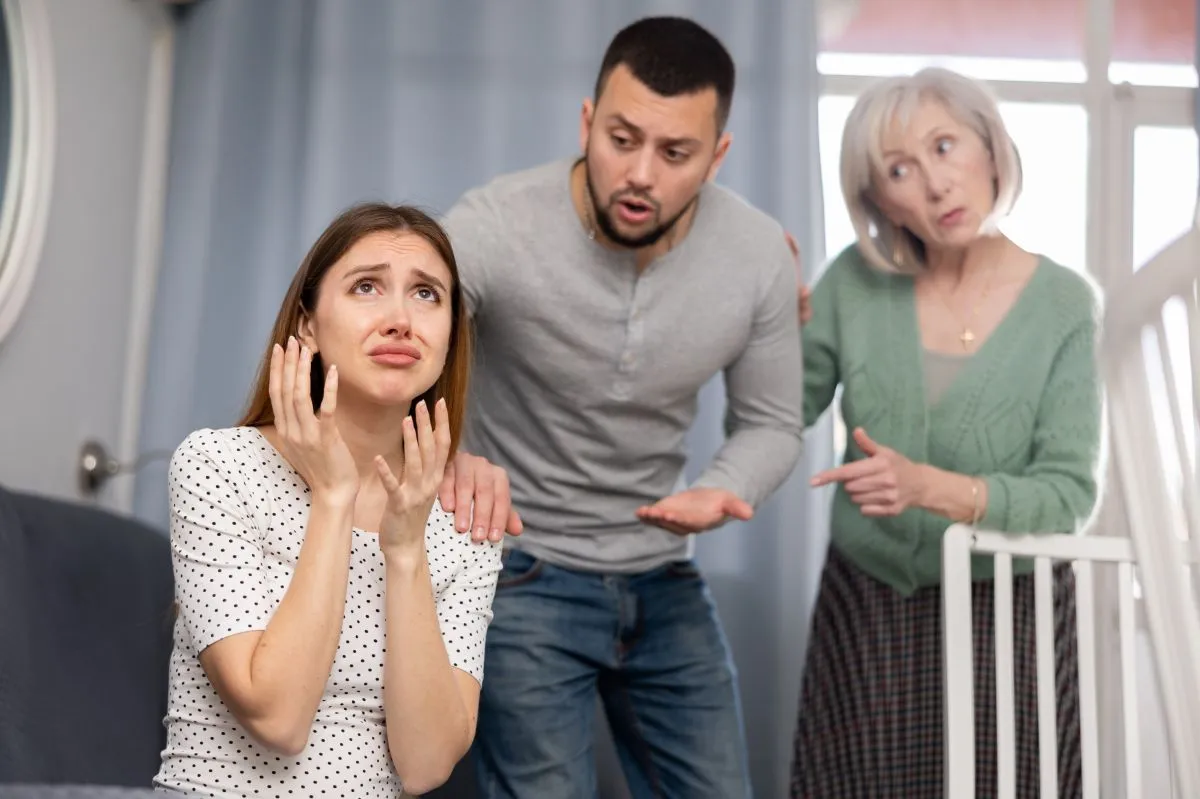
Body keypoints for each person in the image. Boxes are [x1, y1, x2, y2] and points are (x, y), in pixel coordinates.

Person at [438, 15, 805, 799]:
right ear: (586, 122)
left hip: (663, 577)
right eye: (620, 138)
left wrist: (726, 482)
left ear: (717, 157)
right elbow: (395, 334)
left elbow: (774, 421)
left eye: (675, 153)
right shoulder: (495, 225)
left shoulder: (758, 255)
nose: (639, 173)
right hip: (519, 570)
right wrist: (442, 452)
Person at [789, 67, 1101, 797]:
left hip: (1012, 611)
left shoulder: (1063, 305)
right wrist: (772, 322)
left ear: (990, 149)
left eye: (944, 146)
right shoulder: (853, 283)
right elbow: (778, 413)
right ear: (878, 200)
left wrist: (927, 487)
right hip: (867, 604)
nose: (934, 184)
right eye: (900, 168)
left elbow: (1068, 494)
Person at [153, 203, 504, 798]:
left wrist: (405, 552)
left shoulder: (462, 516)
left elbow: (425, 767)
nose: (400, 319)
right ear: (307, 324)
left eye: (426, 295)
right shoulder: (218, 466)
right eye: (366, 286)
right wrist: (335, 499)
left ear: (449, 335)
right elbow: (278, 717)